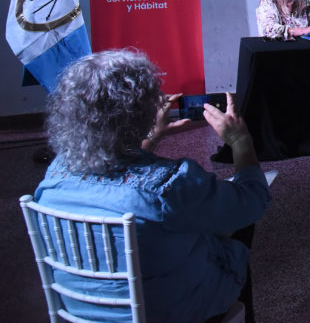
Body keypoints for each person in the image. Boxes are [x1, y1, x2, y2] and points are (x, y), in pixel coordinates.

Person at [34, 50, 270, 323]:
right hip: (166, 313)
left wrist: (149, 139)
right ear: (140, 114)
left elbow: (119, 182)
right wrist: (240, 141)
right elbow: (253, 200)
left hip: (80, 311)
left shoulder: (55, 174)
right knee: (234, 225)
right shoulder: (170, 185)